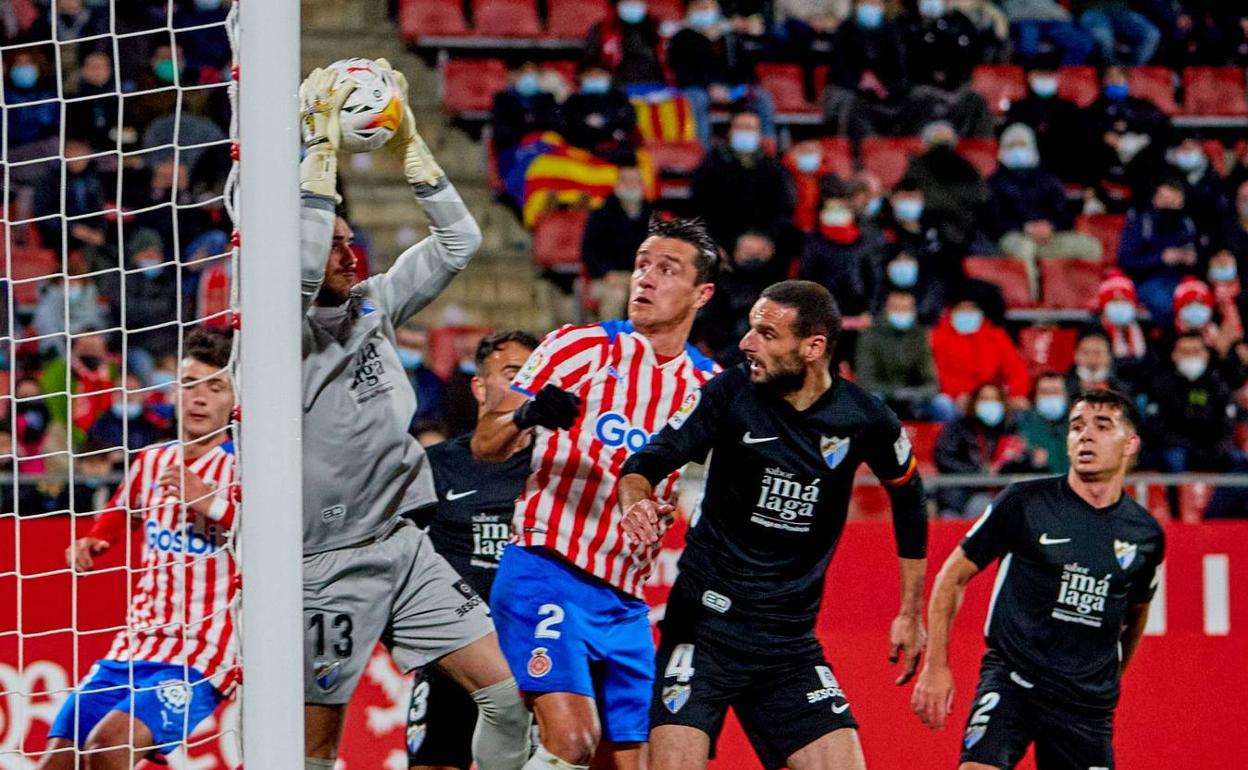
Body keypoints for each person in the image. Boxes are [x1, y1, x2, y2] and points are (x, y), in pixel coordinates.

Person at [297, 65, 529, 770]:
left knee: (507, 698)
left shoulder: (372, 303)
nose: (349, 250)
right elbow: (304, 269)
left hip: (400, 545)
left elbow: (458, 242)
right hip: (324, 566)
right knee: (315, 749)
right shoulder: (285, 328)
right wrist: (321, 151)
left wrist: (413, 150)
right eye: (335, 240)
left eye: (350, 239)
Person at [617, 279, 928, 770]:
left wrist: (911, 611)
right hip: (704, 628)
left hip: (788, 644)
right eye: (749, 329)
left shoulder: (865, 418)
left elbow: (909, 495)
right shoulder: (731, 391)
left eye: (765, 333)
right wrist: (633, 501)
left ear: (813, 347)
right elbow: (646, 462)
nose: (746, 344)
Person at [472, 217, 721, 770]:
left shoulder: (708, 388)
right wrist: (529, 414)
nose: (646, 280)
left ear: (701, 293)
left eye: (666, 269)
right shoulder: (578, 348)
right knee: (571, 740)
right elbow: (487, 442)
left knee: (632, 762)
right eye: (641, 266)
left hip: (627, 600)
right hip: (547, 568)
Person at [912, 388, 1165, 770]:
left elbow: (1136, 613)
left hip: (1084, 706)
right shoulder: (1023, 502)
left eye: (1101, 426)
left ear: (1130, 444)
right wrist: (936, 665)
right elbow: (953, 576)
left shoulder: (1145, 534)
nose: (1085, 436)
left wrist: (1110, 679)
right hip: (1013, 682)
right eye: (1077, 426)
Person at [40, 328, 239, 769]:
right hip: (135, 643)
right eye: (189, 384)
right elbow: (121, 508)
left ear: (234, 400)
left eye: (215, 386)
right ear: (173, 394)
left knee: (109, 748)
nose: (200, 398)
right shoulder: (151, 461)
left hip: (200, 652)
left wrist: (210, 503)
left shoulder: (245, 467)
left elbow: (276, 533)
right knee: (58, 760)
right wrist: (97, 539)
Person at [405, 331, 541, 770]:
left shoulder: (556, 469)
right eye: (513, 373)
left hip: (532, 656)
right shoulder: (439, 464)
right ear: (480, 388)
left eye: (534, 374)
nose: (527, 384)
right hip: (454, 657)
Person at [989, 123, 1101, 280]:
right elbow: (994, 221)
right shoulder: (994, 183)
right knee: (1024, 249)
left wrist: (1051, 226)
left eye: (1022, 145)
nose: (1018, 150)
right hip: (1015, 236)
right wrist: (1027, 228)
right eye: (1012, 146)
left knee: (1089, 246)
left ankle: (1087, 298)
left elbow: (1065, 216)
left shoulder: (1049, 180)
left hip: (1049, 236)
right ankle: (1032, 300)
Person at [669, 0, 776, 148]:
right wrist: (710, 88)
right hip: (698, 87)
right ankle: (702, 153)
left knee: (761, 96)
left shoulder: (729, 37)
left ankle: (767, 150)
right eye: (700, 7)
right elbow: (682, 72)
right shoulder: (681, 38)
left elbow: (744, 67)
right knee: (697, 99)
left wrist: (740, 88)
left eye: (708, 7)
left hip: (730, 88)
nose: (704, 11)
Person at [690, 107, 795, 251]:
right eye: (740, 127)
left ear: (759, 134)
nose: (745, 132)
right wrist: (719, 245)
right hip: (722, 243)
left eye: (750, 128)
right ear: (730, 131)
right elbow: (700, 210)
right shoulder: (710, 167)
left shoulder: (774, 169)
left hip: (764, 243)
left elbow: (783, 210)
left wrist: (766, 238)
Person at [933, 382, 1037, 518]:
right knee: (980, 506)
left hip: (1001, 493)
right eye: (984, 399)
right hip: (961, 496)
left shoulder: (1011, 430)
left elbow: (1024, 462)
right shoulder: (957, 429)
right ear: (974, 402)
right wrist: (979, 472)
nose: (990, 404)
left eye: (994, 399)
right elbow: (944, 458)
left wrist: (1024, 460)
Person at [856, 289, 952, 421]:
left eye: (906, 308)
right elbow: (866, 381)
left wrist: (911, 394)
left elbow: (932, 383)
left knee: (943, 404)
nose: (901, 313)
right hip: (883, 395)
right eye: (897, 308)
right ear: (887, 309)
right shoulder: (870, 334)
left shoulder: (920, 335)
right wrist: (895, 393)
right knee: (870, 400)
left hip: (914, 398)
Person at [697, 230, 789, 366]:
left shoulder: (781, 290)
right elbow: (711, 325)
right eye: (748, 251)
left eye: (759, 253)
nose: (753, 257)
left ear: (770, 252)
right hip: (723, 356)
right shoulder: (720, 286)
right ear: (736, 252)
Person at [1118, 175, 1198, 327]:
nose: (1169, 205)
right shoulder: (1140, 224)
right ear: (1155, 199)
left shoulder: (1188, 225)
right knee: (1166, 305)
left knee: (1200, 302)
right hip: (1148, 281)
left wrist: (1193, 259)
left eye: (1174, 200)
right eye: (1165, 199)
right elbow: (1125, 261)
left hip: (1181, 278)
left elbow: (1202, 254)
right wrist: (1160, 258)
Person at [930, 295, 1031, 409]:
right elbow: (936, 374)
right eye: (961, 309)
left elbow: (1016, 369)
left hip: (991, 395)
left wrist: (1015, 394)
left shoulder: (995, 336)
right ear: (952, 312)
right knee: (942, 404)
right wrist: (958, 394)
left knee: (1021, 406)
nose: (966, 313)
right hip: (954, 397)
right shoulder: (937, 336)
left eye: (971, 309)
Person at [582, 165, 652, 321]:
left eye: (635, 181)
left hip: (643, 276)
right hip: (607, 278)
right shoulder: (600, 215)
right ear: (618, 185)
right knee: (616, 295)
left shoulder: (652, 215)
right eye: (626, 180)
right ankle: (610, 341)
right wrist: (607, 272)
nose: (630, 185)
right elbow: (589, 252)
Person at [1015, 372, 1071, 474]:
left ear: (1066, 395)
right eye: (1044, 392)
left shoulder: (1078, 426)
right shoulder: (1020, 426)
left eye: (1056, 392)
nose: (1050, 397)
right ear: (1035, 396)